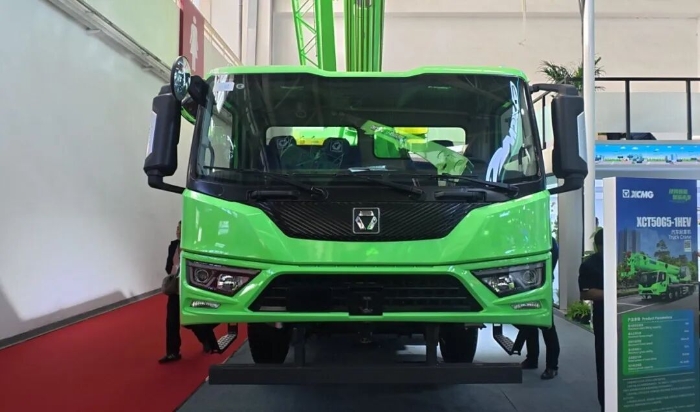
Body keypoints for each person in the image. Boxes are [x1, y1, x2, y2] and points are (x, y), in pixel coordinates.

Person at [159, 221, 221, 364]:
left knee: (193, 321)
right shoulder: (173, 245)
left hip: (192, 288)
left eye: (180, 229)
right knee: (172, 321)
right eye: (177, 228)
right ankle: (172, 352)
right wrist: (175, 269)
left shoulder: (195, 245)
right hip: (176, 289)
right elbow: (168, 266)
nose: (178, 231)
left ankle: (206, 340)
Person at [520, 236, 561, 380]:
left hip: (542, 288)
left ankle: (552, 366)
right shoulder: (531, 239)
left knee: (547, 327)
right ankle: (532, 359)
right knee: (530, 324)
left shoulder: (548, 242)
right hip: (528, 287)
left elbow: (547, 267)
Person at [578, 228, 605, 411]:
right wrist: (611, 293)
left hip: (627, 319)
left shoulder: (621, 261)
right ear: (599, 246)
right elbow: (585, 293)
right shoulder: (590, 265)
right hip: (603, 319)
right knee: (604, 363)